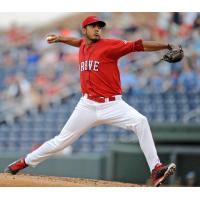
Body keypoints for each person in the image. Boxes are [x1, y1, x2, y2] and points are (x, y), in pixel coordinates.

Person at [4, 15, 177, 187]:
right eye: (93, 26)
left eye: (99, 27)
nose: (97, 29)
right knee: (60, 141)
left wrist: (167, 45)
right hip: (87, 105)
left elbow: (138, 45)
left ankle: (156, 168)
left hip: (112, 105)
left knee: (141, 121)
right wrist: (60, 39)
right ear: (84, 30)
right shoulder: (82, 44)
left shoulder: (110, 45)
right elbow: (77, 42)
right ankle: (22, 163)